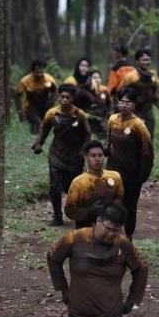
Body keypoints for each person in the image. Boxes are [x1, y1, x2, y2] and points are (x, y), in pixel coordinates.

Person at [47, 203, 149, 317]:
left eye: (116, 230)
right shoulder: (75, 238)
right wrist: (63, 289)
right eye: (108, 228)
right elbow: (53, 257)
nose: (111, 234)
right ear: (98, 221)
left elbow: (141, 268)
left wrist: (132, 301)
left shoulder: (123, 244)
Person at [33, 84, 91, 226]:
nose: (64, 100)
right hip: (56, 155)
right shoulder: (51, 114)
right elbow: (44, 129)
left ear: (73, 99)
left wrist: (85, 150)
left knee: (71, 187)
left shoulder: (80, 115)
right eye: (62, 97)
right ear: (58, 97)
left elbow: (87, 134)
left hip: (75, 157)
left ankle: (78, 214)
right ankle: (57, 217)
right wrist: (39, 143)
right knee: (54, 187)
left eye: (68, 97)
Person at [106, 88, 154, 239]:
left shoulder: (138, 125)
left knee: (130, 206)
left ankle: (128, 237)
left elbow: (147, 151)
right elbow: (109, 141)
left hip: (132, 174)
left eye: (128, 103)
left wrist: (143, 174)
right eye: (121, 102)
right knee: (112, 203)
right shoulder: (112, 119)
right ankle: (110, 234)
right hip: (113, 171)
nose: (124, 105)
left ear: (133, 105)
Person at [65, 140, 124, 229]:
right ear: (86, 157)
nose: (97, 159)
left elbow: (120, 198)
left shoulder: (115, 176)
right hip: (85, 228)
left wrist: (111, 209)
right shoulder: (79, 182)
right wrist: (89, 211)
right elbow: (69, 210)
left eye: (100, 155)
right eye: (93, 156)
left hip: (109, 227)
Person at [117, 48, 159, 138]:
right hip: (133, 110)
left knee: (148, 135)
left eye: (148, 60)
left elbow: (156, 92)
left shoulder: (153, 75)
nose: (146, 62)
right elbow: (120, 91)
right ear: (137, 61)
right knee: (133, 135)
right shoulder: (131, 76)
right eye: (143, 60)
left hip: (148, 110)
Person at [15, 59, 58, 134]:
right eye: (37, 72)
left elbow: (55, 91)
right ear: (32, 71)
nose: (39, 75)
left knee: (44, 122)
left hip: (45, 104)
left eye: (42, 72)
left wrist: (51, 102)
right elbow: (18, 95)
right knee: (36, 121)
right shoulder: (25, 81)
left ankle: (37, 133)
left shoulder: (50, 79)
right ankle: (37, 133)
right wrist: (20, 110)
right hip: (30, 106)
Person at [87, 69, 112, 137]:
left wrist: (109, 114)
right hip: (90, 118)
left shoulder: (104, 89)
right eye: (94, 77)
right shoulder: (86, 91)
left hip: (102, 118)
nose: (97, 79)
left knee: (103, 135)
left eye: (98, 77)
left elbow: (109, 104)